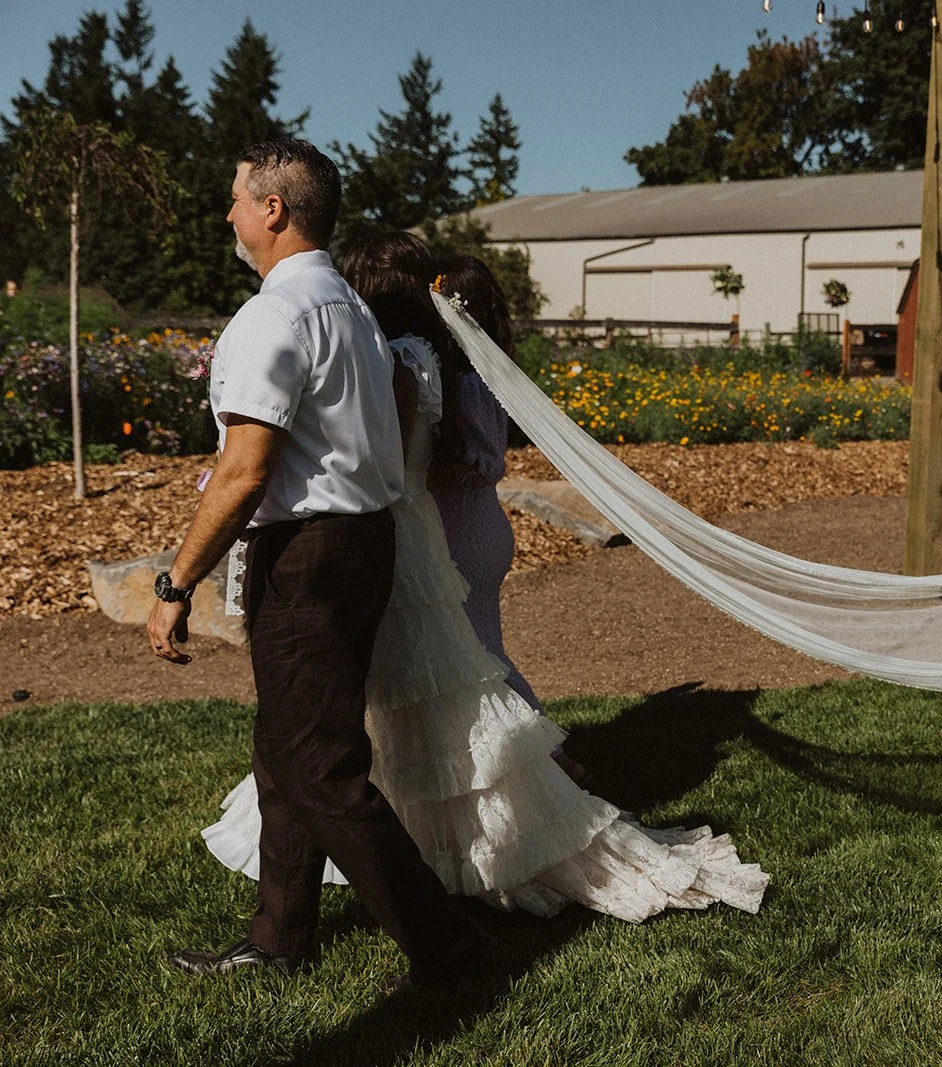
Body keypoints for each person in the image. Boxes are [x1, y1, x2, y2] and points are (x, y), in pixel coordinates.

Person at [200, 231, 768, 923]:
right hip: (410, 533)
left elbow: (381, 469)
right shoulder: (422, 359)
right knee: (403, 698)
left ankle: (448, 852)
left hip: (397, 537)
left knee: (420, 698)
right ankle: (407, 843)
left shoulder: (398, 364)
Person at [148, 139, 480, 984]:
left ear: (273, 209)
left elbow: (244, 467)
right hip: (362, 543)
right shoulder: (349, 308)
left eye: (235, 198)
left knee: (323, 768)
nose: (226, 213)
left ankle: (446, 950)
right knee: (285, 750)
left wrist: (174, 581)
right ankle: (280, 936)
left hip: (308, 556)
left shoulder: (277, 315)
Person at [427, 253, 585, 784]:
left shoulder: (461, 385)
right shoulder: (489, 376)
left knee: (480, 656)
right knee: (479, 650)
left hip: (461, 533)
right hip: (484, 527)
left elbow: (477, 462)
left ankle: (548, 762)